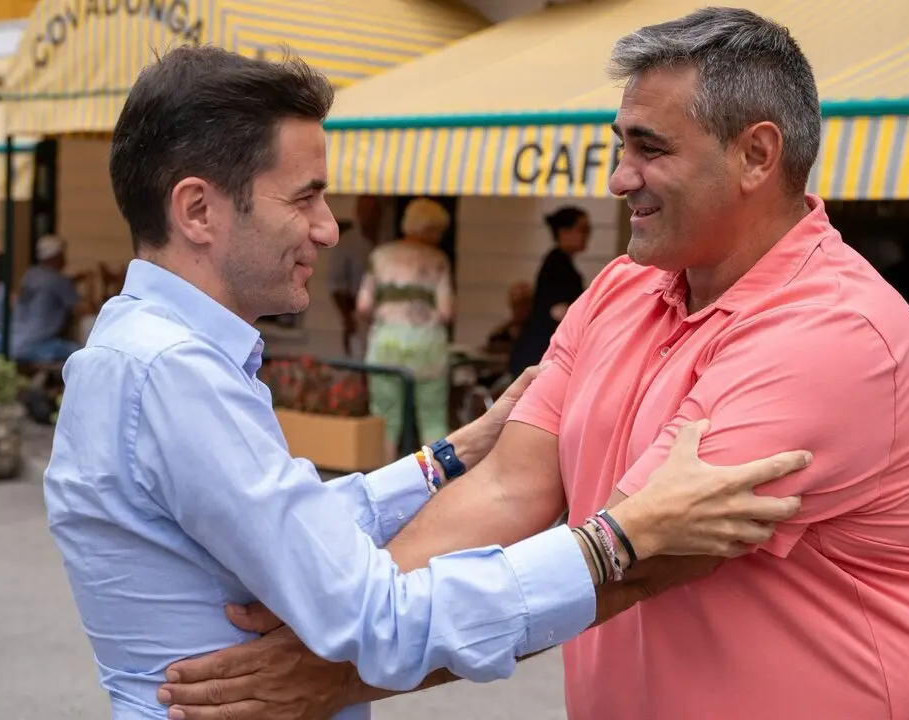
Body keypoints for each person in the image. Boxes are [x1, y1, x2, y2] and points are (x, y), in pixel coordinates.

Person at [158, 8, 909, 720]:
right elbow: (509, 486)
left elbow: (638, 559)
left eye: (648, 148)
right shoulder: (625, 287)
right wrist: (343, 617)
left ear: (756, 155)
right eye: (618, 144)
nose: (619, 178)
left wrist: (335, 667)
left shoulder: (830, 331)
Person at [43, 45, 808, 720]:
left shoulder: (142, 350)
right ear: (198, 210)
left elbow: (290, 520)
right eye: (305, 196)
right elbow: (378, 618)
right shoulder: (173, 372)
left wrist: (450, 454)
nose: (328, 228)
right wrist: (617, 541)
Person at [357, 197, 454, 458]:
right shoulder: (438, 260)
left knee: (385, 420)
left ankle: (383, 478)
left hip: (386, 343)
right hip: (428, 345)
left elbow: (363, 306)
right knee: (432, 418)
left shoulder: (380, 256)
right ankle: (439, 478)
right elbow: (446, 312)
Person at [509, 206, 590, 376]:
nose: (587, 235)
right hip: (539, 350)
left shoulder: (561, 262)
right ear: (563, 232)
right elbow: (558, 310)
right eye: (582, 229)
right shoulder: (557, 265)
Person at [10, 235, 84, 363]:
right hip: (38, 345)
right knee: (82, 352)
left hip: (14, 343)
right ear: (56, 256)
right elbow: (82, 308)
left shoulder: (29, 275)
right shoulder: (58, 280)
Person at [327, 195, 382, 357]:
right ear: (357, 213)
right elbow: (337, 283)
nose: (369, 216)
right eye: (365, 211)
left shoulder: (386, 240)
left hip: (385, 317)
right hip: (357, 315)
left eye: (373, 211)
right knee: (359, 360)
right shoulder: (348, 242)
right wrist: (347, 318)